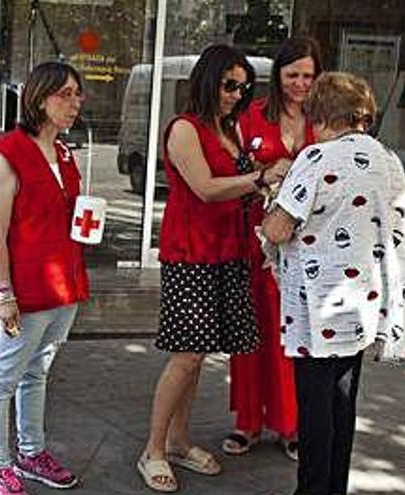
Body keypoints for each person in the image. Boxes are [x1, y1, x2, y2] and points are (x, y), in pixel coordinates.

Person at [136, 44, 289, 493]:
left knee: (198, 355)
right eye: (228, 86)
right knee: (185, 356)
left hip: (229, 252)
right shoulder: (185, 129)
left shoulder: (231, 129)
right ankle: (154, 448)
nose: (236, 95)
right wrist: (259, 178)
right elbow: (204, 188)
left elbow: (236, 186)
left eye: (243, 89)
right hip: (192, 255)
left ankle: (179, 440)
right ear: (208, 80)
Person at [261, 71, 405, 495]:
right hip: (362, 300)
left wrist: (273, 199)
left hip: (316, 306)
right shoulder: (389, 161)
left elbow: (278, 229)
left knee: (315, 406)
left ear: (320, 114)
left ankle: (310, 490)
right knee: (343, 401)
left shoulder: (317, 158)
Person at [0, 61, 90, 495]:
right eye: (65, 93)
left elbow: (64, 216)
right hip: (26, 289)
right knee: (4, 376)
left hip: (65, 284)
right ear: (40, 98)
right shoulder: (10, 153)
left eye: (77, 94)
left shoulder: (64, 153)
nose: (75, 102)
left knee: (37, 372)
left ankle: (30, 452)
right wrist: (3, 293)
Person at [226, 36, 322, 461]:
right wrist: (265, 173)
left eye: (308, 75)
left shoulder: (325, 120)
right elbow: (232, 172)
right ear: (277, 75)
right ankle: (247, 421)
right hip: (254, 242)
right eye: (293, 75)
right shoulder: (249, 116)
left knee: (294, 335)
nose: (301, 83)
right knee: (252, 333)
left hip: (308, 248)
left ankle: (291, 424)